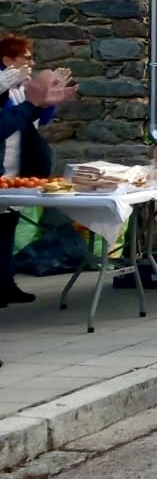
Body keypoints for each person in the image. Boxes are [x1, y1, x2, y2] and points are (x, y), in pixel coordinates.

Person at [0, 44, 71, 313]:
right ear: (7, 59)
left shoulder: (20, 87)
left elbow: (37, 120)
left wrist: (47, 100)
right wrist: (31, 103)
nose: (30, 63)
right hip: (4, 163)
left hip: (17, 166)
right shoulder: (6, 86)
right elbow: (8, 122)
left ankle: (6, 283)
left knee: (7, 227)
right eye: (25, 58)